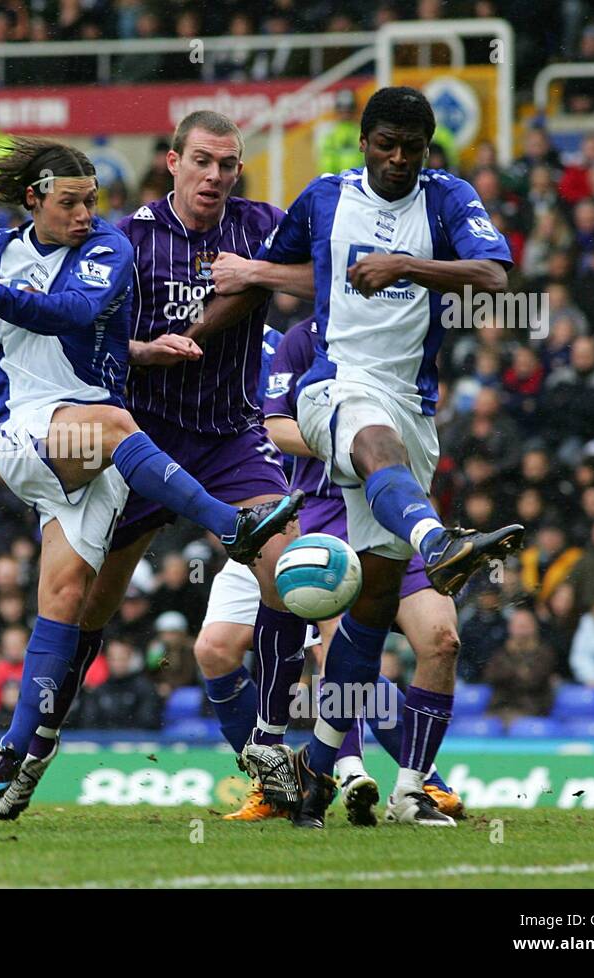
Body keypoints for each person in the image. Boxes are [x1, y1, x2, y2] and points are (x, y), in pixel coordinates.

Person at [0, 137, 301, 819]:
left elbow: (73, 314)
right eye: (69, 203)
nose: (84, 215)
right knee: (114, 424)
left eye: (91, 202)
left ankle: (16, 753)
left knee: (70, 601)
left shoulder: (109, 248)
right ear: (33, 200)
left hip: (97, 455)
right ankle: (231, 525)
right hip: (33, 431)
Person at [212, 86, 522, 828]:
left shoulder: (447, 199)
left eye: (411, 147)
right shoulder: (321, 199)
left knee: (374, 608)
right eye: (386, 144)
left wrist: (406, 266)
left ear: (426, 148)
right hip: (336, 388)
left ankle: (317, 773)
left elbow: (496, 276)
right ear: (363, 140)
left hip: (413, 404)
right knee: (368, 436)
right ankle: (437, 541)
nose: (398, 158)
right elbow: (280, 273)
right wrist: (203, 323)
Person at [199, 318, 466, 825]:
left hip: (320, 517)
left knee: (352, 642)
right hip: (267, 520)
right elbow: (269, 428)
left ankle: (383, 776)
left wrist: (353, 443)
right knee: (214, 649)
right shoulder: (193, 344)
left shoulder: (284, 340)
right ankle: (277, 784)